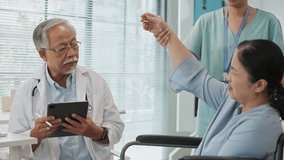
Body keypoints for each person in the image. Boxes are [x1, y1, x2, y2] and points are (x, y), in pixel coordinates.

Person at [141, 13, 284, 159]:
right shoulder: (232, 101)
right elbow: (195, 77)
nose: (227, 77)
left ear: (259, 85)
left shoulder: (260, 125)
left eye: (234, 72)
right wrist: (166, 34)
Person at [8, 18, 124, 160]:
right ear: (43, 54)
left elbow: (117, 128)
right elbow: (13, 146)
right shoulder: (27, 90)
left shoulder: (96, 82)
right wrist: (35, 135)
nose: (72, 54)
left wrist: (95, 132)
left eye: (74, 45)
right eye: (62, 48)